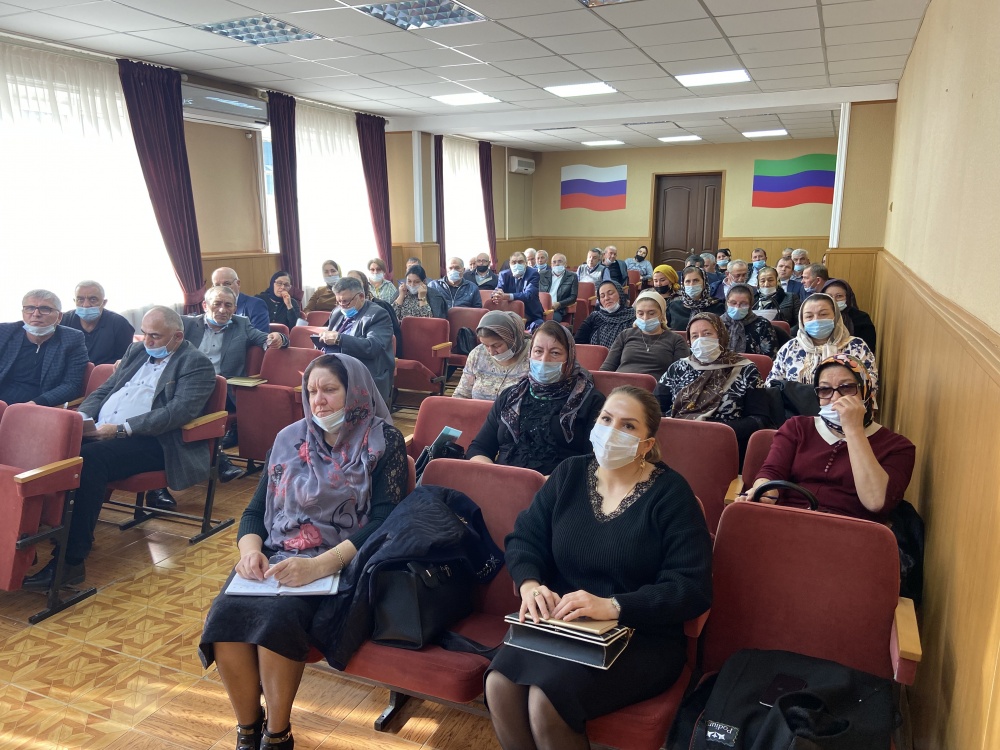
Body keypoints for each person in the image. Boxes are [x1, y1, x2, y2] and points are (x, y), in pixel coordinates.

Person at [485, 385, 712, 749]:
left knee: (546, 702)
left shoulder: (671, 494)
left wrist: (613, 606)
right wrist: (530, 584)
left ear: (646, 445)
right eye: (606, 419)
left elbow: (691, 588)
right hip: (565, 623)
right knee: (498, 684)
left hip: (641, 634)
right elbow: (524, 538)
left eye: (627, 426)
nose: (611, 431)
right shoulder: (569, 474)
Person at [200, 354, 407, 750]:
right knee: (224, 617)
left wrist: (318, 566)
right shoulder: (288, 439)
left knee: (277, 619)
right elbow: (254, 513)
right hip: (278, 556)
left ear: (355, 391)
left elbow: (384, 521)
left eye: (329, 390)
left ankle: (277, 734)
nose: (318, 401)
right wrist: (250, 552)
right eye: (311, 392)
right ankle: (248, 730)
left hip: (342, 560)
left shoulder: (383, 441)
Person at [23, 306, 216, 590]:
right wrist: (81, 420)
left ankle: (70, 562)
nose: (147, 341)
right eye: (144, 333)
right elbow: (104, 390)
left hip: (155, 442)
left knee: (88, 460)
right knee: (48, 448)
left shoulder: (196, 363)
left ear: (177, 336)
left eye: (155, 336)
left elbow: (176, 413)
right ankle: (32, 535)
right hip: (103, 431)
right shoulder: (136, 351)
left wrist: (122, 429)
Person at [742, 354, 914, 522]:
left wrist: (853, 430)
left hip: (848, 530)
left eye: (847, 388)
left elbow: (876, 502)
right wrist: (764, 492)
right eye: (825, 390)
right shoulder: (797, 427)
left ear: (865, 391)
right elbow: (772, 472)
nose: (835, 398)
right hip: (789, 520)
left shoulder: (897, 447)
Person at [175, 285, 288, 492]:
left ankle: (207, 463)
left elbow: (267, 340)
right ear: (205, 305)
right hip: (184, 386)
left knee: (174, 411)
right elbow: (158, 340)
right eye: (217, 304)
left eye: (228, 305)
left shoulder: (241, 325)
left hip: (221, 390)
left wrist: (278, 339)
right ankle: (219, 460)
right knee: (169, 409)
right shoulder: (186, 324)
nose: (222, 309)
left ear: (235, 309)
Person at [468, 321, 605, 476]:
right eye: (538, 351)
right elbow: (479, 448)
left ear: (569, 357)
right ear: (530, 354)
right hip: (501, 484)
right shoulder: (511, 396)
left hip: (559, 486)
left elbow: (593, 462)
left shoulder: (591, 401)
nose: (544, 360)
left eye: (555, 353)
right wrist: (494, 476)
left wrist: (551, 484)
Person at [656, 312, 770, 459]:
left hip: (722, 445)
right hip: (678, 441)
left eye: (707, 334)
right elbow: (655, 406)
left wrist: (715, 431)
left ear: (721, 335)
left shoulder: (746, 369)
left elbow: (759, 419)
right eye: (695, 336)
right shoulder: (678, 368)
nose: (701, 340)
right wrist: (672, 428)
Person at [767, 293, 878, 399]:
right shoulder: (789, 348)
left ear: (835, 316)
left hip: (845, 409)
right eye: (809, 316)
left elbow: (870, 384)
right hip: (796, 410)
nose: (816, 320)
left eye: (823, 314)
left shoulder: (856, 346)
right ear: (801, 320)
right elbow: (772, 385)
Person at [0, 290, 88, 407]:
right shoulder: (5, 332)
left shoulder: (72, 339)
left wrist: (35, 403)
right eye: (30, 308)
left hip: (39, 405)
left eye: (45, 309)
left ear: (59, 317)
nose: (36, 314)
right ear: (23, 313)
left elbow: (72, 385)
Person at [316, 278, 395, 406]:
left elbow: (372, 347)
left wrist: (339, 339)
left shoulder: (378, 315)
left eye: (346, 301)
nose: (342, 306)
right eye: (338, 301)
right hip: (335, 370)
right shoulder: (337, 312)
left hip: (364, 373)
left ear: (361, 296)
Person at [599, 289, 689, 380]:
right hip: (620, 385)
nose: (645, 318)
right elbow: (607, 368)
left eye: (651, 313)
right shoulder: (625, 335)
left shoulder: (675, 340)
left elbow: (681, 375)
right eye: (640, 313)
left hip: (655, 388)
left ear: (662, 314)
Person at [453, 310, 531, 401]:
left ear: (513, 339)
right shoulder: (477, 354)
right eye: (485, 345)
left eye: (497, 345)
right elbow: (462, 393)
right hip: (477, 410)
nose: (491, 352)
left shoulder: (533, 356)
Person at [60, 280, 135, 366]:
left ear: (104, 302)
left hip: (106, 372)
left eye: (93, 299)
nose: (86, 305)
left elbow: (125, 360)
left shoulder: (119, 324)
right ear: (74, 301)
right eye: (80, 299)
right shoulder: (63, 321)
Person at [345, 270, 403, 358]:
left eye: (356, 282)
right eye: (348, 282)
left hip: (372, 356)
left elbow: (374, 346)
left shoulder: (381, 307)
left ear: (364, 285)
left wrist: (340, 339)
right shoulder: (340, 310)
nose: (351, 286)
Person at [574, 280, 635, 348]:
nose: (606, 298)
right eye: (602, 296)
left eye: (610, 293)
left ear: (620, 295)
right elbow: (578, 343)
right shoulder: (595, 316)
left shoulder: (633, 316)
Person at [821, 278, 877, 352]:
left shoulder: (862, 319)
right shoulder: (818, 318)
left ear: (848, 297)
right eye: (829, 296)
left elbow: (868, 349)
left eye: (839, 296)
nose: (834, 300)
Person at [723, 284, 778, 357]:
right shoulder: (717, 324)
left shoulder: (762, 325)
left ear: (750, 304)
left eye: (743, 304)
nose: (737, 307)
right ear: (727, 302)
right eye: (733, 303)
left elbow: (770, 358)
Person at [212, 267, 270, 333]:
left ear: (238, 283)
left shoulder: (256, 305)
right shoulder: (211, 307)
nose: (222, 289)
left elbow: (259, 336)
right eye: (217, 285)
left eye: (227, 284)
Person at [495, 251, 543, 329]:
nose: (517, 265)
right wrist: (496, 295)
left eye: (520, 262)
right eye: (513, 262)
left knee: (537, 326)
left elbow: (528, 295)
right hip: (510, 316)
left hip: (530, 316)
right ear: (509, 264)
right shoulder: (504, 274)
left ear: (526, 263)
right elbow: (497, 290)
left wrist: (506, 296)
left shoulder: (533, 274)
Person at [667, 267, 725, 331]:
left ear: (704, 282)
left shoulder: (717, 306)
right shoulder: (674, 307)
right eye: (688, 281)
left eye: (696, 280)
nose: (691, 284)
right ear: (683, 284)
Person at [541, 254, 578, 325]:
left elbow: (573, 297)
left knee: (548, 323)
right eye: (554, 262)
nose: (557, 264)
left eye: (560, 261)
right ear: (551, 265)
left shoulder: (572, 276)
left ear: (565, 264)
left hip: (558, 310)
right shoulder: (542, 275)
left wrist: (559, 304)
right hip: (541, 307)